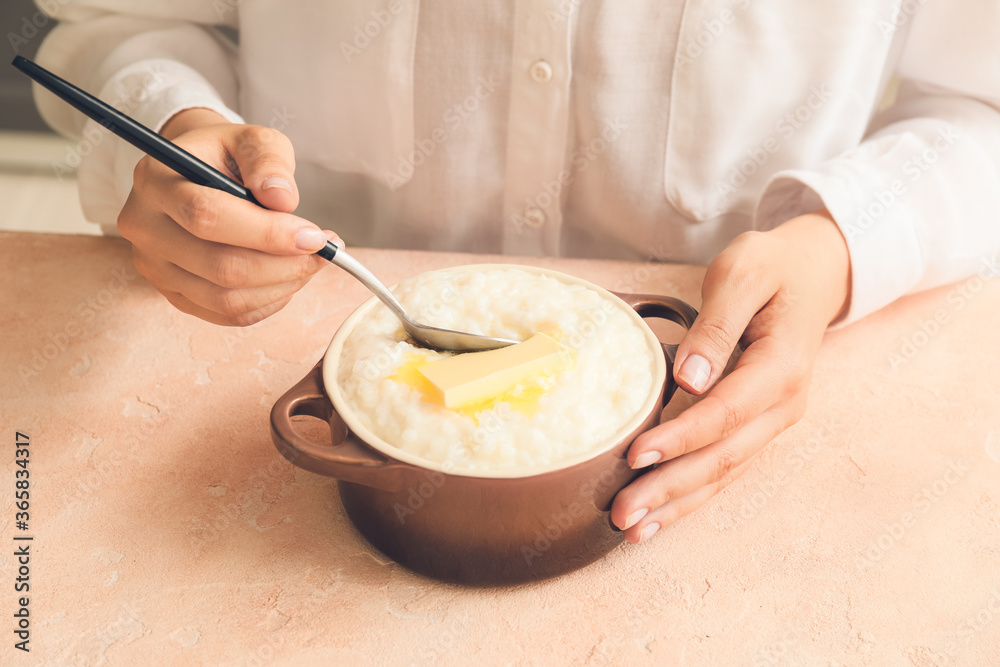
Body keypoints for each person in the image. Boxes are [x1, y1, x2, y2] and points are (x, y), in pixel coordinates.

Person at [32, 1, 1000, 545]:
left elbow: (980, 105)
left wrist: (843, 240)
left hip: (723, 451)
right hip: (279, 354)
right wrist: (173, 131)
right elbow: (117, 26)